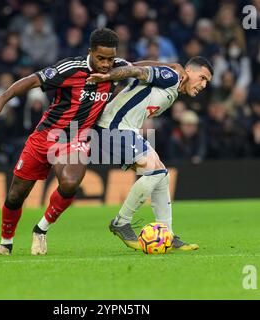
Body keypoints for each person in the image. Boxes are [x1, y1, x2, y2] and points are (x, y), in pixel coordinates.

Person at [0, 28, 179, 256]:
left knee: (70, 181)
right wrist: (2, 98)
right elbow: (32, 80)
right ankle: (5, 243)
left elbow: (139, 65)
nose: (106, 64)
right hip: (45, 136)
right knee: (17, 194)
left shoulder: (116, 67)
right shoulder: (70, 68)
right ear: (90, 52)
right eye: (101, 58)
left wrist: (173, 67)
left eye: (110, 59)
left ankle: (41, 229)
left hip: (76, 137)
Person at [87, 56, 213, 250]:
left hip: (125, 130)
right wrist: (110, 75)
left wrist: (132, 65)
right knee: (154, 171)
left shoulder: (173, 84)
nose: (203, 85)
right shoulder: (172, 77)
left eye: (207, 82)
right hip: (113, 128)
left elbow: (142, 67)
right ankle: (121, 222)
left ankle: (168, 236)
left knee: (162, 174)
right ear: (189, 70)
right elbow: (140, 72)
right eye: (202, 77)